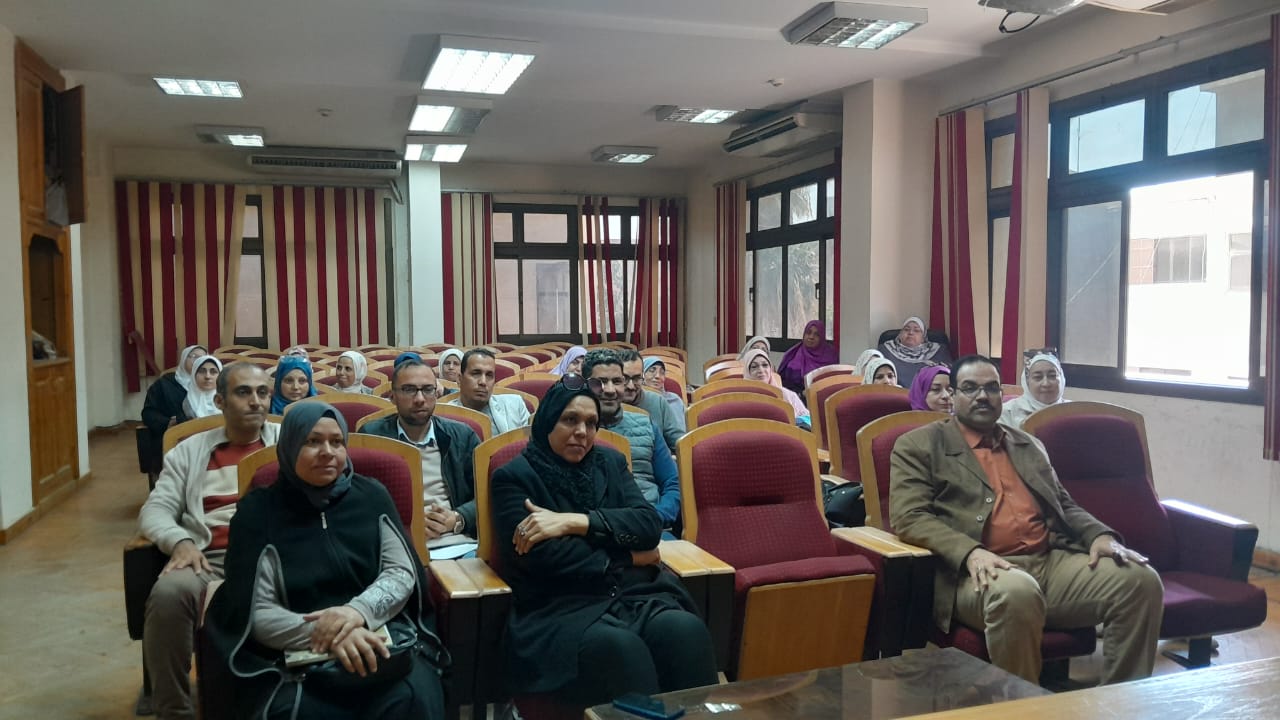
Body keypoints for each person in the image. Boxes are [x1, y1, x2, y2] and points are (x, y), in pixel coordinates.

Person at [889, 355, 1163, 685]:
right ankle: (1022, 705)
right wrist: (970, 552)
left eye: (992, 388)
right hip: (973, 574)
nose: (982, 396)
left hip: (1048, 561)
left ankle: (1119, 701)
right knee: (1017, 593)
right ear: (954, 395)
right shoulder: (919, 445)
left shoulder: (1027, 444)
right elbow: (910, 517)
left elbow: (1064, 504)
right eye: (970, 388)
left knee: (1140, 581)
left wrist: (1099, 537)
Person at [205, 403, 447, 719]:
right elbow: (258, 611)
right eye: (312, 441)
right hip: (294, 654)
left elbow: (400, 573)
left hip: (379, 634)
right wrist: (331, 634)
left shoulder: (372, 496)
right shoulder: (257, 513)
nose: (327, 452)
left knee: (414, 698)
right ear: (290, 446)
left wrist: (357, 613)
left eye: (337, 442)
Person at [491, 378, 718, 707]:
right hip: (561, 606)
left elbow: (648, 525)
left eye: (591, 423)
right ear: (548, 420)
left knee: (685, 631)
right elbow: (545, 558)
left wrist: (577, 522)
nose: (582, 432)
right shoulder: (514, 477)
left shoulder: (609, 463)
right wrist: (630, 557)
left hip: (633, 595)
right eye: (570, 420)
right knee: (622, 650)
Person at [138, 363, 279, 719]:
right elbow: (156, 510)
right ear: (219, 401)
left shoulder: (287, 442)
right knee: (169, 594)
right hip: (208, 559)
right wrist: (180, 541)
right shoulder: (189, 452)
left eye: (262, 393)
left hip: (276, 557)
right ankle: (174, 710)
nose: (256, 401)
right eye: (243, 392)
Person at [359, 357, 481, 559]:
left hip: (458, 542)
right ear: (392, 396)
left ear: (437, 393)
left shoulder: (462, 436)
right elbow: (360, 503)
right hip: (396, 545)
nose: (419, 399)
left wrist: (458, 518)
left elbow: (486, 495)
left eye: (427, 389)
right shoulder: (372, 437)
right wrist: (406, 522)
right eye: (409, 390)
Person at [583, 350, 681, 534]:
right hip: (591, 529)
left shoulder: (646, 425)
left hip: (649, 524)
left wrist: (657, 517)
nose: (610, 390)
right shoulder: (571, 430)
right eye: (601, 382)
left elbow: (672, 482)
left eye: (617, 381)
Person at [141, 344, 208, 481]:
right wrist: (168, 422)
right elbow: (148, 413)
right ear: (183, 359)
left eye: (202, 358)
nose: (198, 361)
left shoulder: (212, 383)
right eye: (194, 357)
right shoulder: (164, 384)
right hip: (174, 438)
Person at [445, 348, 530, 435]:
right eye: (476, 374)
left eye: (489, 375)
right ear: (459, 379)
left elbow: (529, 441)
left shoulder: (515, 405)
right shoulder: (444, 414)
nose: (483, 382)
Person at [618, 349, 685, 450]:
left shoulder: (658, 402)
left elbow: (678, 443)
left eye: (636, 378)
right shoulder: (606, 403)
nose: (631, 386)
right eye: (625, 379)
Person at [741, 348, 810, 426]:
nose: (761, 370)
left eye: (765, 365)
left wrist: (796, 421)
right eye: (754, 367)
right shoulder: (741, 398)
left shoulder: (788, 395)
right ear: (747, 372)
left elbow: (808, 419)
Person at [878, 316, 952, 388]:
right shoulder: (886, 349)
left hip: (928, 393)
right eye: (906, 329)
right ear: (900, 335)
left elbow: (948, 374)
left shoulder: (938, 350)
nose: (910, 333)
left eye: (916, 330)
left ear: (923, 338)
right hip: (895, 393)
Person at [1001, 352, 1068, 429]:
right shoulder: (1007, 412)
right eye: (1038, 377)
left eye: (1052, 376)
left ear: (1062, 378)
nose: (1046, 384)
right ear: (1027, 381)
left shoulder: (1074, 411)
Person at [777, 320, 839, 394]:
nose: (811, 337)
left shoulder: (830, 356)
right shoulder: (793, 353)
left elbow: (832, 383)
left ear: (822, 337)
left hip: (820, 397)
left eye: (817, 334)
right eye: (808, 333)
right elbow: (782, 381)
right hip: (793, 396)